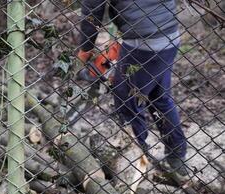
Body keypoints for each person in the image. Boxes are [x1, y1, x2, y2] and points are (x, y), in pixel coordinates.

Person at [77, 0, 188, 177]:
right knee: (159, 97)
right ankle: (177, 155)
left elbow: (92, 12)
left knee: (126, 101)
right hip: (169, 35)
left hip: (143, 43)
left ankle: (134, 158)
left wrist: (85, 50)